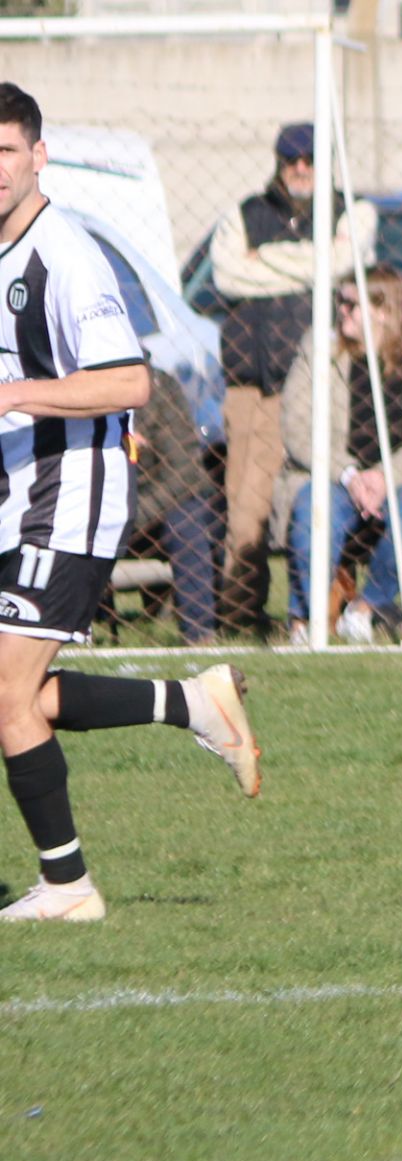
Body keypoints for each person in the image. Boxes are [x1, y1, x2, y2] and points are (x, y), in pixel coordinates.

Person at [0, 83, 260, 924]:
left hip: (67, 494)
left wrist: (15, 394)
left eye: (6, 151)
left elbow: (130, 381)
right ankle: (191, 704)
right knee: (15, 693)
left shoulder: (65, 254)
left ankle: (69, 887)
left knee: (6, 693)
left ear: (38, 157)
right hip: (18, 494)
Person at [210, 121, 377, 638]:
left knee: (326, 498)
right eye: (291, 160)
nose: (300, 169)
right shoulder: (246, 214)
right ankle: (240, 619)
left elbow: (346, 263)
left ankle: (329, 611)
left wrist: (266, 258)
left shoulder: (355, 210)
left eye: (309, 160)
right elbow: (226, 274)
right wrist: (315, 262)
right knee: (247, 509)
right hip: (255, 386)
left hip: (330, 383)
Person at [281, 265, 402, 642]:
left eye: (351, 304)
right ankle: (311, 617)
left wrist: (384, 476)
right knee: (312, 515)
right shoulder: (318, 350)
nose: (341, 310)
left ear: (384, 310)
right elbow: (298, 429)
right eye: (339, 301)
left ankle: (367, 607)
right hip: (335, 475)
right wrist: (350, 475)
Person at [121, 372, 223, 645]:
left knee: (186, 522)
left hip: (157, 505)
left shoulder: (160, 387)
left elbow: (182, 474)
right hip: (104, 504)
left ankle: (199, 634)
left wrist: (135, 514)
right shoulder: (78, 386)